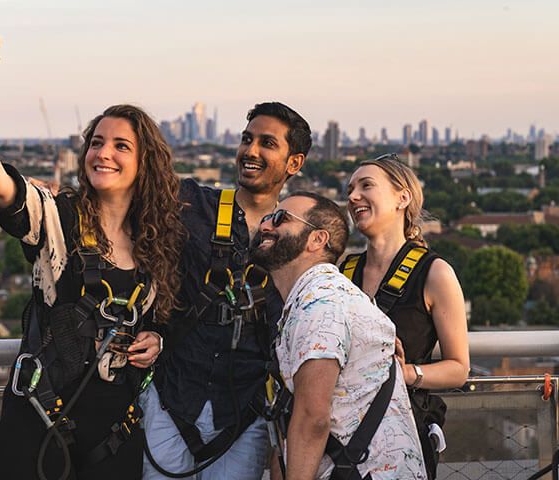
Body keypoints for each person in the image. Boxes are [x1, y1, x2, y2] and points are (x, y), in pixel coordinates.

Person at [0, 46, 184, 479]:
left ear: (145, 162)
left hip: (115, 436)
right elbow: (1, 185)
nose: (103, 153)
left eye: (120, 145)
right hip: (37, 430)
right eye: (96, 143)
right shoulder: (58, 217)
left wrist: (156, 340)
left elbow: (162, 320)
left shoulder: (157, 243)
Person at [141, 102, 311, 479]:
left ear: (294, 163)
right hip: (174, 400)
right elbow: (126, 201)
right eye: (247, 139)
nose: (251, 151)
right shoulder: (192, 205)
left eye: (267, 143)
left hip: (243, 416)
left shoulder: (299, 241)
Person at [253, 191, 427, 480]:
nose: (265, 226)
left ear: (317, 240)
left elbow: (313, 419)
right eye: (267, 218)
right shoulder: (323, 297)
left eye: (280, 219)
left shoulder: (320, 305)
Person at [343, 154, 470, 479]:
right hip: (341, 435)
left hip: (401, 434)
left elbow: (458, 369)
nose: (353, 196)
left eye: (366, 185)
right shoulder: (343, 271)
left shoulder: (434, 273)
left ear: (403, 197)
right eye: (350, 189)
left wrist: (408, 372)